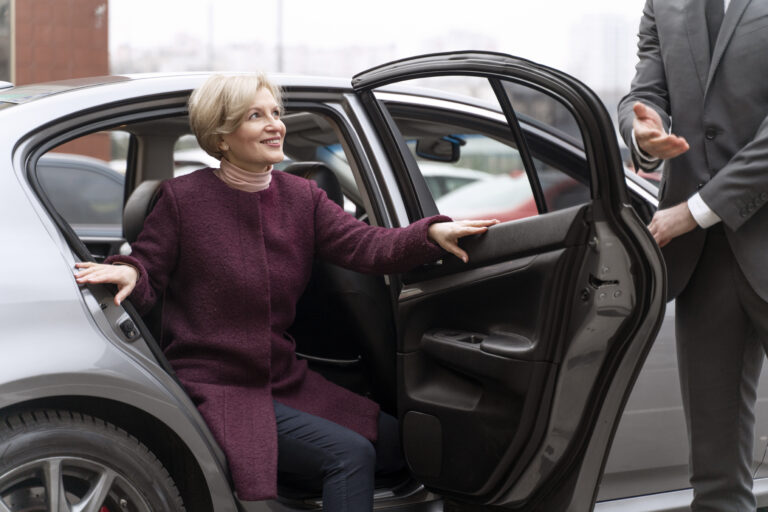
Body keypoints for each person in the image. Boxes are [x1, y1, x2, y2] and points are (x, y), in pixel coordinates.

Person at [73, 73, 497, 510]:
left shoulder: (303, 198)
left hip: (284, 379)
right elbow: (147, 266)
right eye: (256, 116)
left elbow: (369, 247)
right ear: (222, 136)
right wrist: (126, 272)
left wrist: (432, 234)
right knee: (350, 456)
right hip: (219, 386)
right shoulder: (183, 200)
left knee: (404, 446)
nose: (275, 124)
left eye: (276, 113)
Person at [618, 1, 768, 510]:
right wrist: (644, 133)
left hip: (709, 223)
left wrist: (698, 209)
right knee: (715, 479)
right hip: (704, 263)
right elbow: (645, 92)